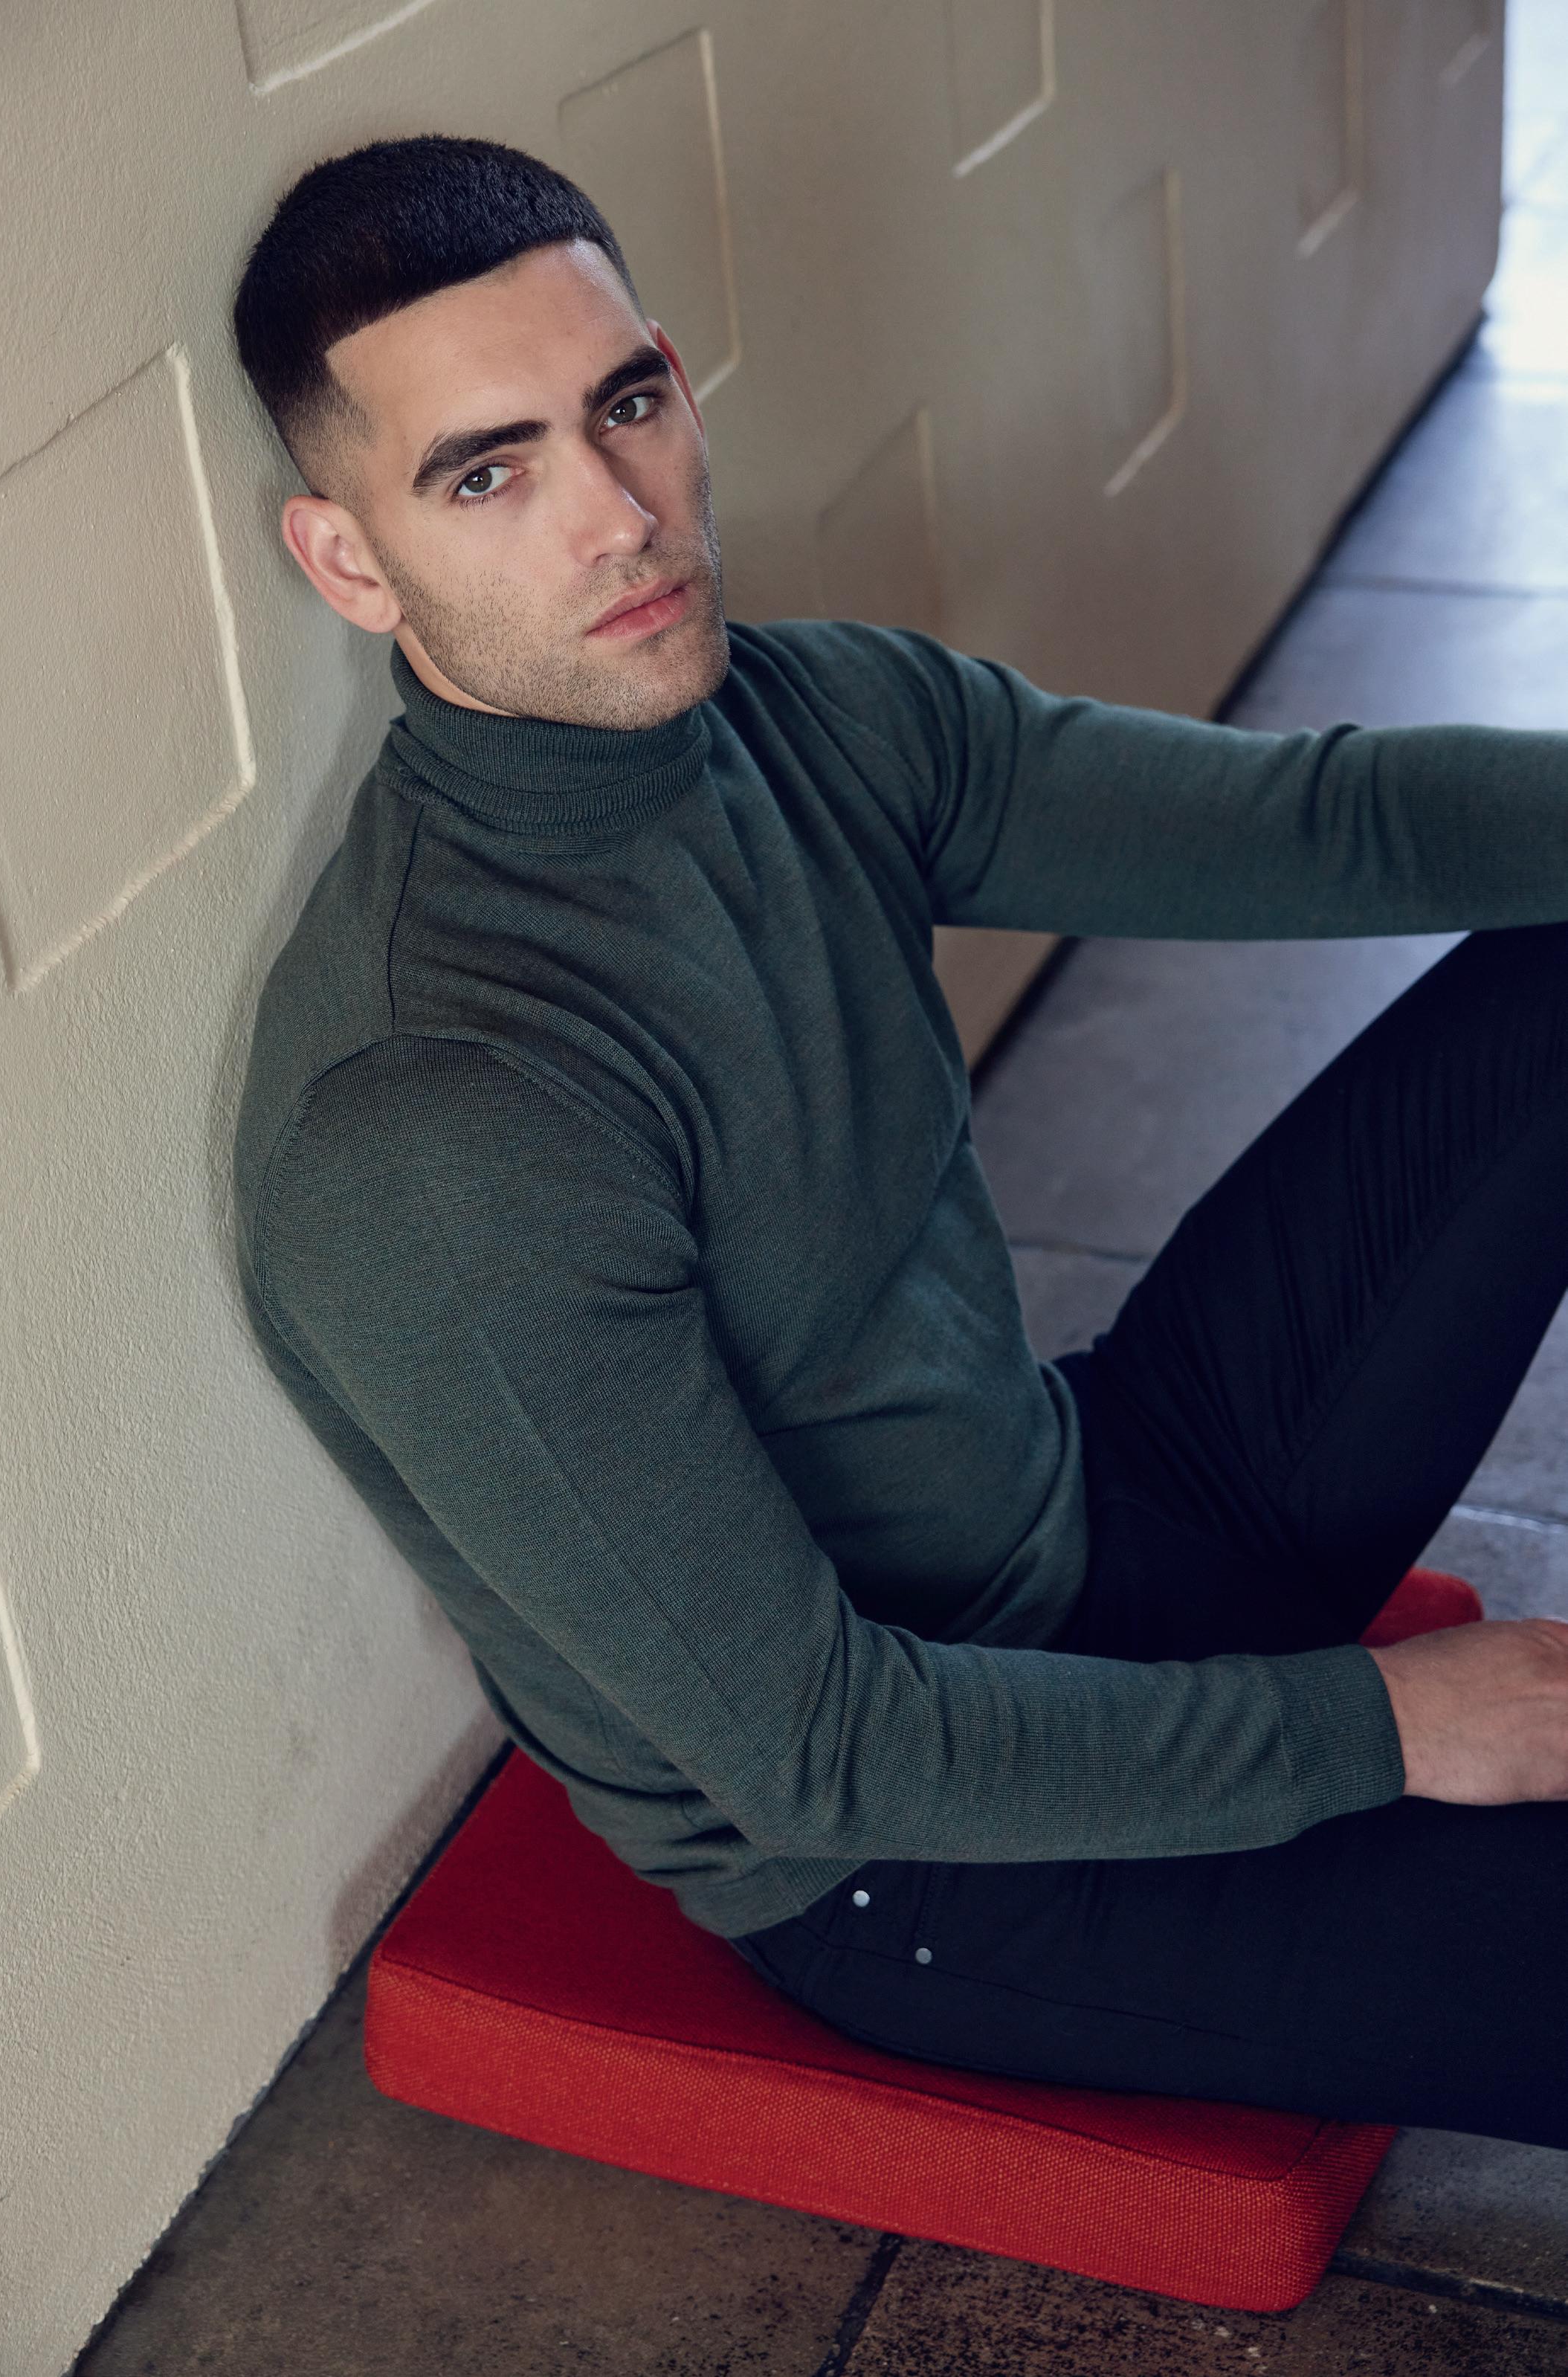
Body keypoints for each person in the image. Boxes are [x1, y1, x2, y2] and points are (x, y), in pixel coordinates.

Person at [231, 132, 1568, 2151]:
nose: (618, 518)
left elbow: (1336, 823)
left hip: (1105, 1500)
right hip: (921, 1853)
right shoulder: (439, 1116)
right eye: (486, 474)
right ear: (348, 559)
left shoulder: (821, 721)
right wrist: (1383, 1722)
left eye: (625, 407)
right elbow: (812, 1752)